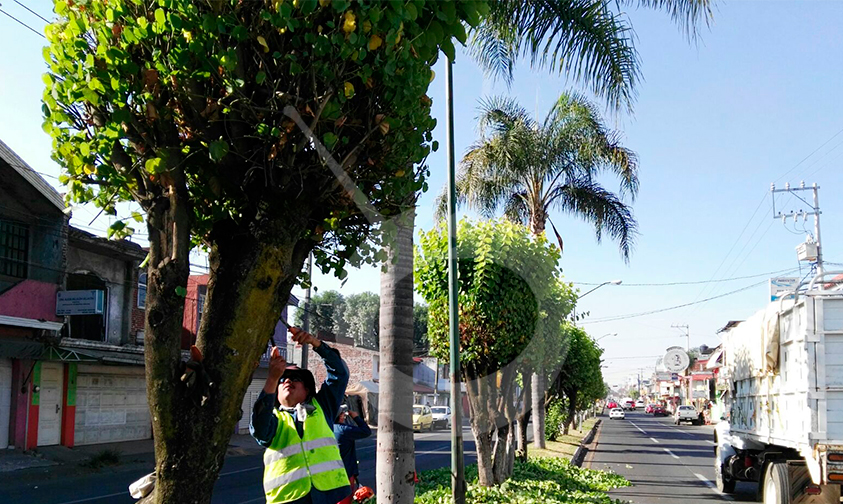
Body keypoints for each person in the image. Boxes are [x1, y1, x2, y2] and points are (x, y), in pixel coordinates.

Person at [250, 327, 351, 504]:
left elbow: (340, 373)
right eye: (282, 380)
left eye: (295, 378)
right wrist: (272, 379)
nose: (286, 380)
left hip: (330, 494)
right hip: (289, 498)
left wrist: (315, 343)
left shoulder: (322, 406)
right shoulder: (272, 419)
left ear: (307, 390)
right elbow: (259, 430)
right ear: (276, 392)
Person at [333, 403, 372, 491]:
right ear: (340, 416)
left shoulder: (327, 429)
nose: (344, 416)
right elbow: (366, 431)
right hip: (346, 472)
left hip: (331, 471)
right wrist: (356, 417)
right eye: (343, 414)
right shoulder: (344, 430)